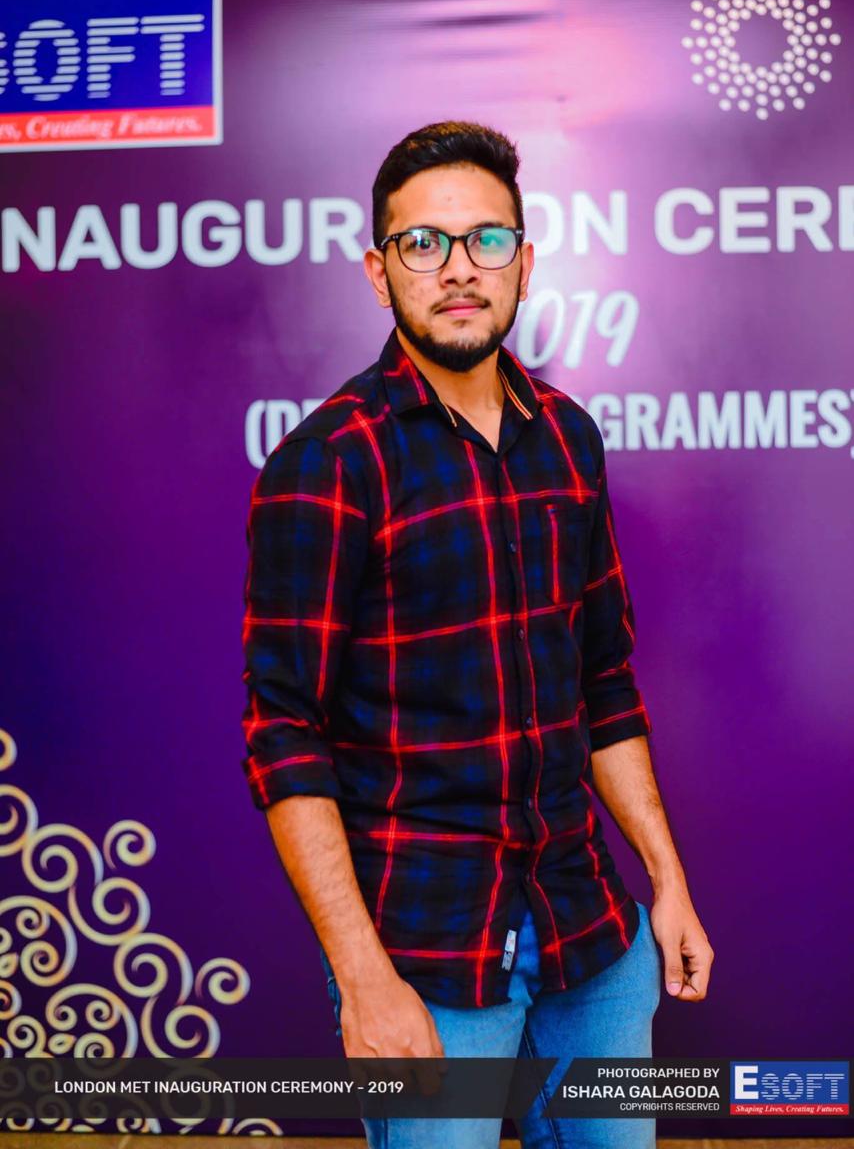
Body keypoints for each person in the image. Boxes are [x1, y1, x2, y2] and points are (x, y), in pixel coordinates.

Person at [240, 121, 713, 1149]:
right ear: (380, 273)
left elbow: (604, 682)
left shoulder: (568, 437)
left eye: (486, 239)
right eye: (423, 243)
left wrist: (666, 882)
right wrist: (362, 978)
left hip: (591, 938)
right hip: (424, 956)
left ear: (523, 261)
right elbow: (284, 736)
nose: (458, 268)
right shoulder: (327, 462)